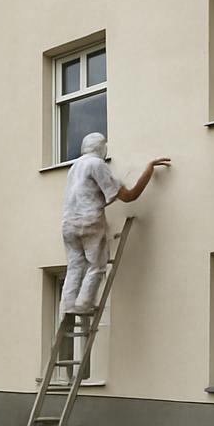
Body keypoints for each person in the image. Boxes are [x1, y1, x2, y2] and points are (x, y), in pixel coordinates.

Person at [60, 133, 169, 316]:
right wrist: (148, 170)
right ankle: (84, 304)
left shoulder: (74, 167)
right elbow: (129, 196)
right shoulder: (97, 164)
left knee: (75, 265)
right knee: (97, 264)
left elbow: (89, 194)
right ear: (102, 148)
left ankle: (68, 305)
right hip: (89, 222)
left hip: (68, 224)